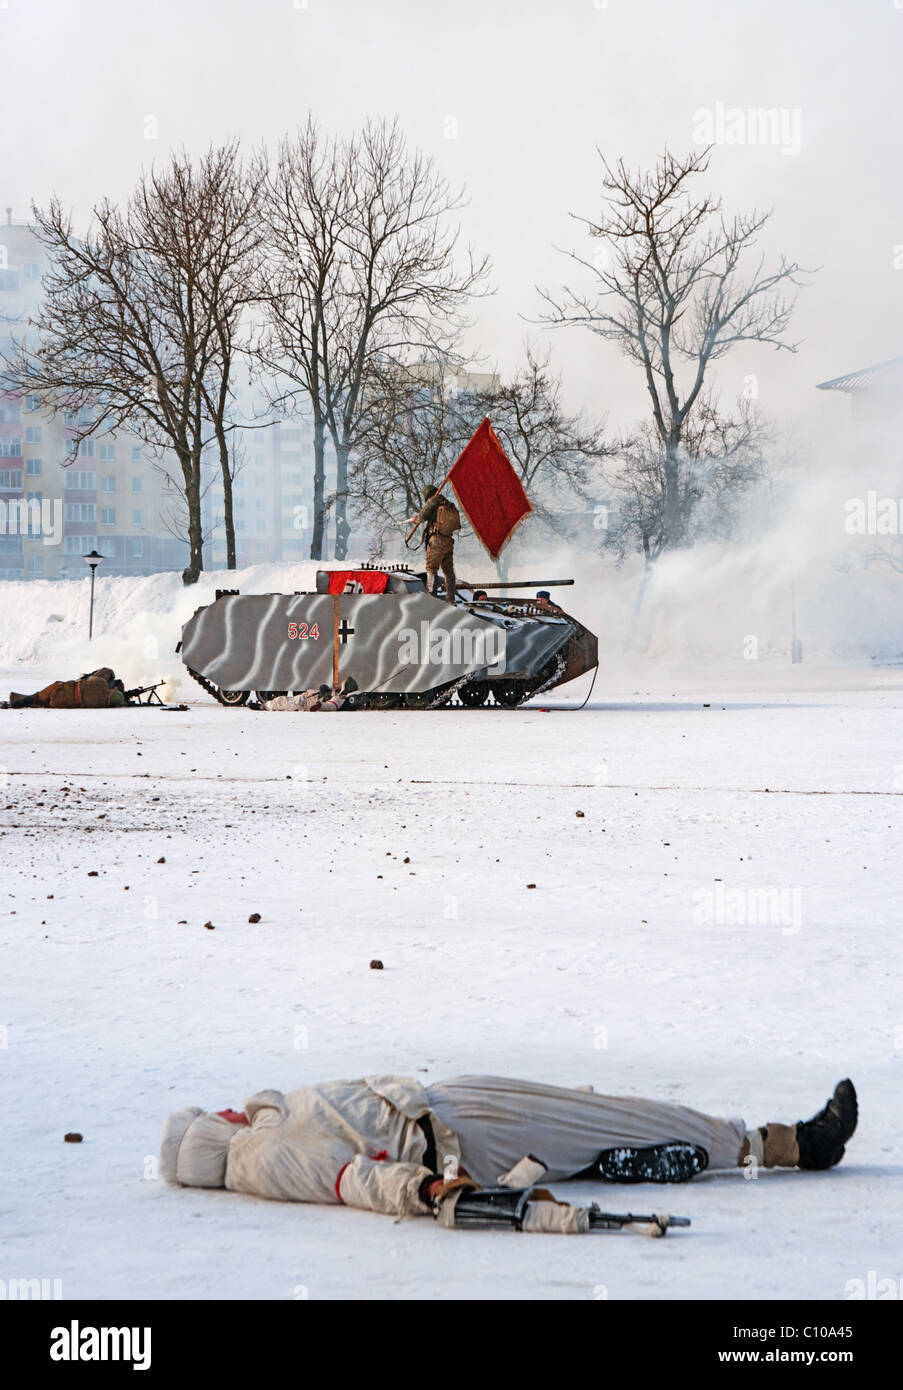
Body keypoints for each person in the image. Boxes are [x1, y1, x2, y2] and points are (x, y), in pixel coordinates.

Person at [160, 1073, 857, 1233]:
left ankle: (607, 1157)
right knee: (615, 1116)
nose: (219, 1109)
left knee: (596, 1116)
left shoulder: (264, 1123)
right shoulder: (262, 1158)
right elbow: (351, 1182)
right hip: (464, 1139)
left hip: (453, 1105)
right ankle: (792, 1146)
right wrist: (427, 1191)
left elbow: (287, 1110)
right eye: (209, 1116)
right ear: (213, 1140)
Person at [408, 484, 460, 604]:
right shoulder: (447, 503)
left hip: (436, 540)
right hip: (448, 541)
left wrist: (415, 519)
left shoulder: (432, 501)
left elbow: (421, 517)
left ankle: (431, 598)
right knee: (448, 571)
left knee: (431, 569)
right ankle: (451, 600)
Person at [8, 667, 126, 709]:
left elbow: (88, 679)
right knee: (40, 701)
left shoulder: (101, 683)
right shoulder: (102, 705)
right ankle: (18, 701)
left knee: (38, 696)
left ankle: (13, 703)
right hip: (61, 703)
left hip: (63, 689)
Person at [263, 677, 359, 712]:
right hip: (307, 697)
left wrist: (319, 705)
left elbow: (330, 706)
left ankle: (264, 706)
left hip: (306, 703)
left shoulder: (339, 699)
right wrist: (325, 690)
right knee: (283, 700)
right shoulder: (336, 694)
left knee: (282, 701)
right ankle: (266, 705)